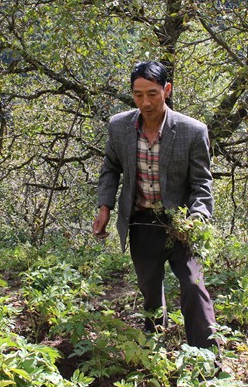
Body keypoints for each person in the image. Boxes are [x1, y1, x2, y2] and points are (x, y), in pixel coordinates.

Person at [92, 61, 218, 350]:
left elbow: (202, 183)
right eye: (138, 95)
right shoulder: (120, 126)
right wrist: (105, 206)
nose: (145, 102)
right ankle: (154, 348)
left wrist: (197, 217)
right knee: (149, 289)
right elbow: (110, 168)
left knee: (194, 285)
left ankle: (207, 355)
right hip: (141, 221)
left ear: (167, 90)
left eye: (152, 93)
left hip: (182, 224)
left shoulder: (192, 131)